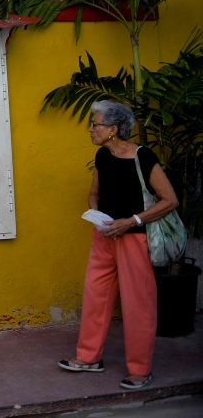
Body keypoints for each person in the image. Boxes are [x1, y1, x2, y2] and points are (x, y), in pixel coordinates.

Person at [59, 101, 179, 390]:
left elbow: (170, 200)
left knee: (138, 304)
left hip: (134, 239)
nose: (90, 128)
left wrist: (131, 221)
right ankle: (88, 358)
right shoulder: (102, 156)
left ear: (113, 129)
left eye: (95, 124)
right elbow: (94, 194)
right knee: (95, 297)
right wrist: (98, 217)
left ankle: (140, 370)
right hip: (104, 237)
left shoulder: (143, 157)